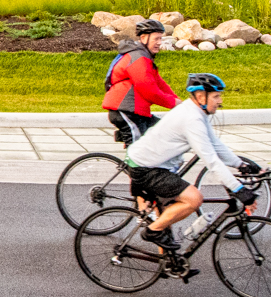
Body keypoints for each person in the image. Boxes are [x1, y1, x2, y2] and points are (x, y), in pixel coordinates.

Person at [124, 73, 260, 253]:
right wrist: (238, 189)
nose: (220, 101)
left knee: (168, 212)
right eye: (216, 96)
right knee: (194, 199)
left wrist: (240, 164)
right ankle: (152, 231)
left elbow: (215, 144)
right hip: (146, 168)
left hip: (155, 165)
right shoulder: (192, 119)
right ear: (201, 97)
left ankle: (169, 263)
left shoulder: (196, 112)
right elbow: (211, 160)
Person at [103, 19, 178, 147]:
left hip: (136, 112)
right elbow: (149, 91)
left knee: (164, 134)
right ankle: (136, 167)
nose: (159, 43)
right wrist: (174, 103)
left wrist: (178, 102)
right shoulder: (138, 58)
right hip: (126, 112)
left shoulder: (144, 57)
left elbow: (159, 83)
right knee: (139, 152)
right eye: (156, 39)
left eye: (161, 39)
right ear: (144, 38)